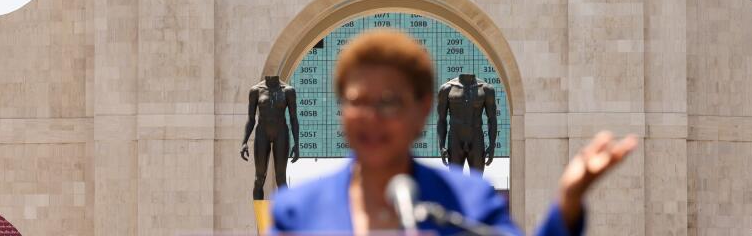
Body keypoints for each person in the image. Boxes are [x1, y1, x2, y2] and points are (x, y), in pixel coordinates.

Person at [271, 30, 637, 235]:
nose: (371, 117)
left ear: (422, 111)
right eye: (357, 101)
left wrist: (568, 203)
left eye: (388, 103)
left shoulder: (468, 203)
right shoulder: (297, 211)